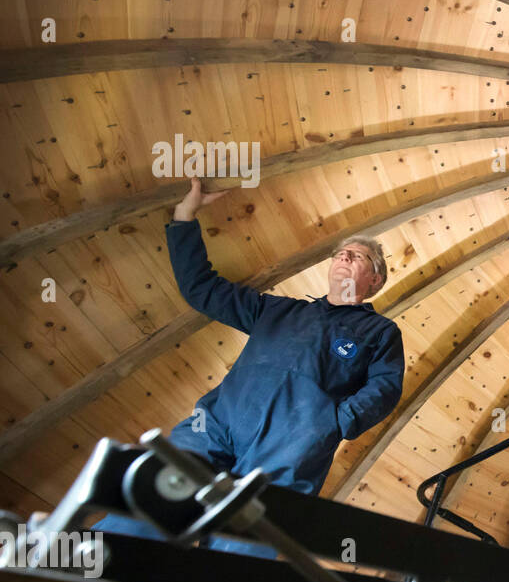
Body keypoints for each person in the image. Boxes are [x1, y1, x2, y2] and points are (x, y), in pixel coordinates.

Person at [98, 178, 405, 555]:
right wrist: (184, 216)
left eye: (358, 257)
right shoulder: (277, 310)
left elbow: (386, 387)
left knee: (252, 531)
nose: (344, 257)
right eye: (341, 253)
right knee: (164, 484)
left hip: (292, 443)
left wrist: (333, 422)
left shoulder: (379, 331)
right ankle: (89, 565)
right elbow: (202, 289)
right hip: (219, 421)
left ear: (374, 280)